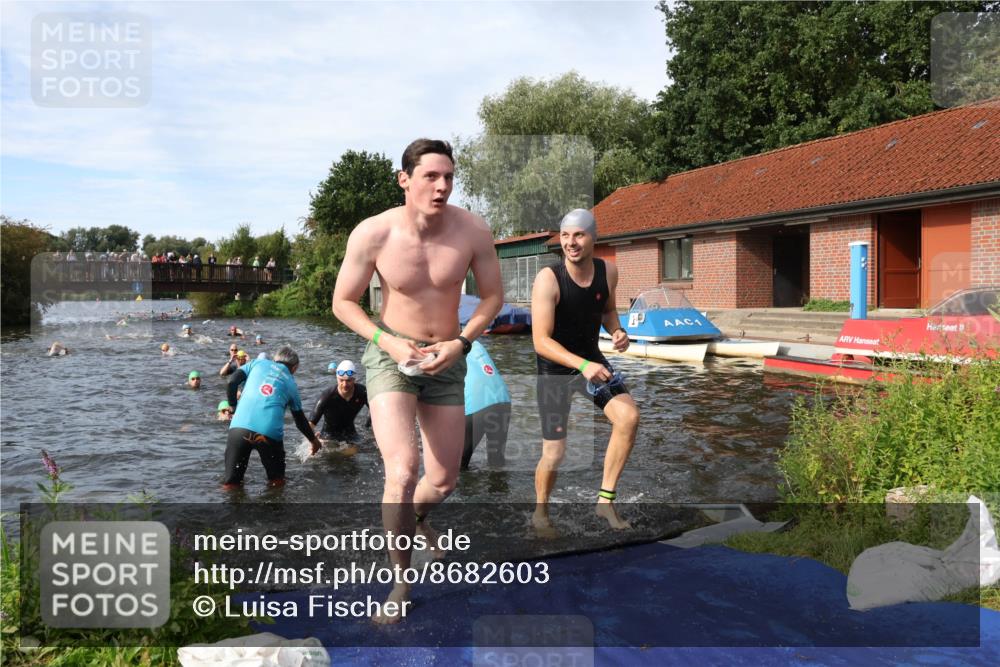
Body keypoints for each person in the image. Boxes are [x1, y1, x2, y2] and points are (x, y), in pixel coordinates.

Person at [331, 138, 503, 623]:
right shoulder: (374, 233)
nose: (442, 186)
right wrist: (386, 342)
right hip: (392, 355)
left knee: (444, 479)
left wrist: (462, 343)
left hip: (448, 356)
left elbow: (491, 297)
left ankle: (418, 518)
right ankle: (401, 583)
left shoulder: (472, 230)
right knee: (403, 471)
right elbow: (343, 302)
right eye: (431, 176)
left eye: (448, 177)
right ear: (405, 180)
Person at [531, 208, 639, 535]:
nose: (571, 242)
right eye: (565, 235)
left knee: (629, 418)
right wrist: (582, 365)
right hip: (556, 370)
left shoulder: (609, 272)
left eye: (578, 235)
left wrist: (618, 331)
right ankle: (540, 513)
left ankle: (604, 502)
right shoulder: (549, 278)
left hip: (591, 360)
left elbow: (606, 309)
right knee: (555, 452)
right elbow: (540, 341)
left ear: (594, 237)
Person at [223, 345, 322, 489]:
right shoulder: (291, 384)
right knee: (277, 483)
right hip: (268, 434)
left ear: (275, 360)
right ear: (294, 368)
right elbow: (300, 421)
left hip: (239, 428)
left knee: (231, 483)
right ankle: (275, 509)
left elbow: (231, 382)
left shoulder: (257, 363)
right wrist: (314, 441)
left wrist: (233, 406)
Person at [461, 340, 511, 470]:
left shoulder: (441, 346)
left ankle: (464, 490)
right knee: (496, 462)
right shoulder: (474, 341)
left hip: (477, 403)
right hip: (502, 400)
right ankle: (500, 489)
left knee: (458, 465)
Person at [309, 360, 369, 442]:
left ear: (354, 379)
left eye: (348, 380)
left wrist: (367, 427)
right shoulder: (327, 396)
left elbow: (376, 410)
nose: (345, 384)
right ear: (337, 379)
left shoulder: (362, 392)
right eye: (341, 380)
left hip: (351, 435)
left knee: (355, 451)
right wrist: (313, 441)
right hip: (328, 437)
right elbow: (310, 425)